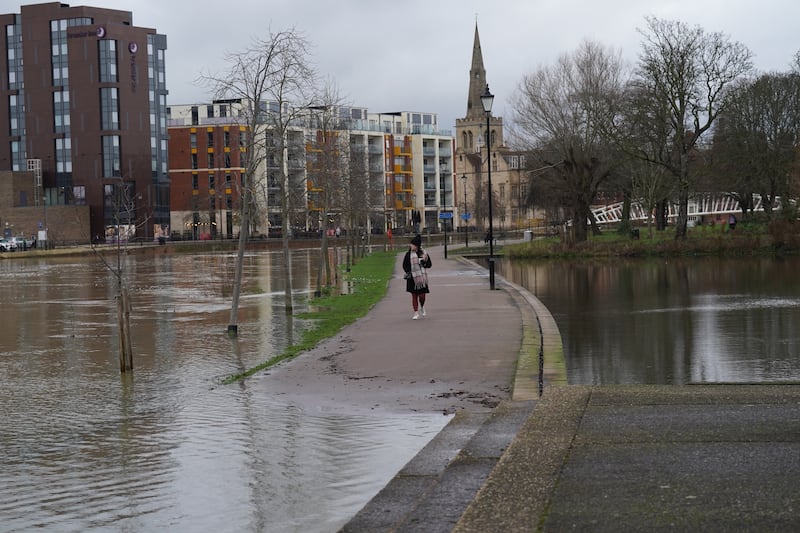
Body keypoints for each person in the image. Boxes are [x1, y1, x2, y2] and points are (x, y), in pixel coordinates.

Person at [402, 234, 432, 320]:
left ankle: (422, 306)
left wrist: (423, 263)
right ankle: (415, 312)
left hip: (422, 278)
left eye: (413, 245)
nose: (411, 246)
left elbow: (429, 264)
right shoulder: (408, 254)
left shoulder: (424, 254)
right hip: (412, 278)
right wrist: (410, 271)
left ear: (417, 246)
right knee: (414, 295)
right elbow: (404, 265)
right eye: (411, 244)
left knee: (422, 296)